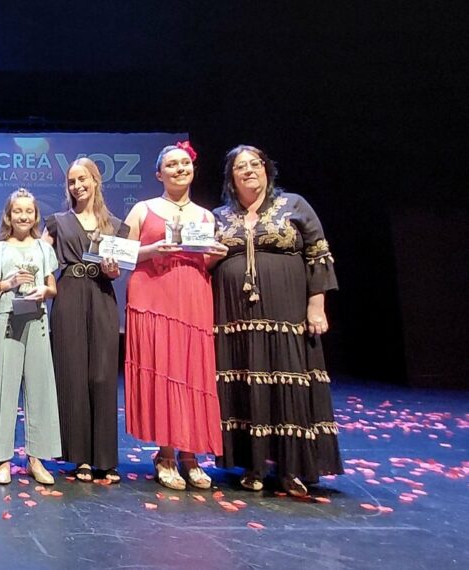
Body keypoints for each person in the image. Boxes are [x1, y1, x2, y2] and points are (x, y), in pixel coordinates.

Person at [212, 145, 342, 496]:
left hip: (285, 315)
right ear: (231, 177)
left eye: (256, 164)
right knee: (245, 382)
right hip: (236, 318)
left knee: (287, 379)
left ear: (267, 169)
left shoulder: (294, 206)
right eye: (241, 166)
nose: (249, 170)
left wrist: (317, 306)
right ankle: (252, 466)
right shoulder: (219, 217)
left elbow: (318, 253)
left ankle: (291, 468)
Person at [122, 142, 228, 491]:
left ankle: (191, 454)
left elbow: (205, 261)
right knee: (163, 371)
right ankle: (165, 453)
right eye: (171, 165)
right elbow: (117, 253)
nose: (179, 169)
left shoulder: (206, 216)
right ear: (159, 174)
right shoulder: (143, 209)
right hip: (153, 294)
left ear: (193, 169)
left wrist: (216, 254)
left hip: (191, 296)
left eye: (185, 163)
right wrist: (153, 249)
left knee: (191, 371)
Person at [47, 158, 128, 484]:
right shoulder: (56, 222)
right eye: (71, 181)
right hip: (68, 296)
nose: (77, 186)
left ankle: (105, 459)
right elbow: (37, 254)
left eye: (83, 179)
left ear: (95, 181)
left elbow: (118, 270)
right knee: (72, 374)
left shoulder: (117, 225)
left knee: (102, 376)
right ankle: (78, 457)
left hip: (101, 296)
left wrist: (112, 269)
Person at [0, 189, 61, 485]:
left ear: (36, 216)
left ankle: (36, 458)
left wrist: (45, 292)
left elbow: (52, 286)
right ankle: (3, 459)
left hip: (37, 320)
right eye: (17, 211)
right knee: (4, 388)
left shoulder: (43, 248)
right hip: (8, 321)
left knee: (40, 388)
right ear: (8, 216)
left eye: (29, 211)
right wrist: (7, 284)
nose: (23, 216)